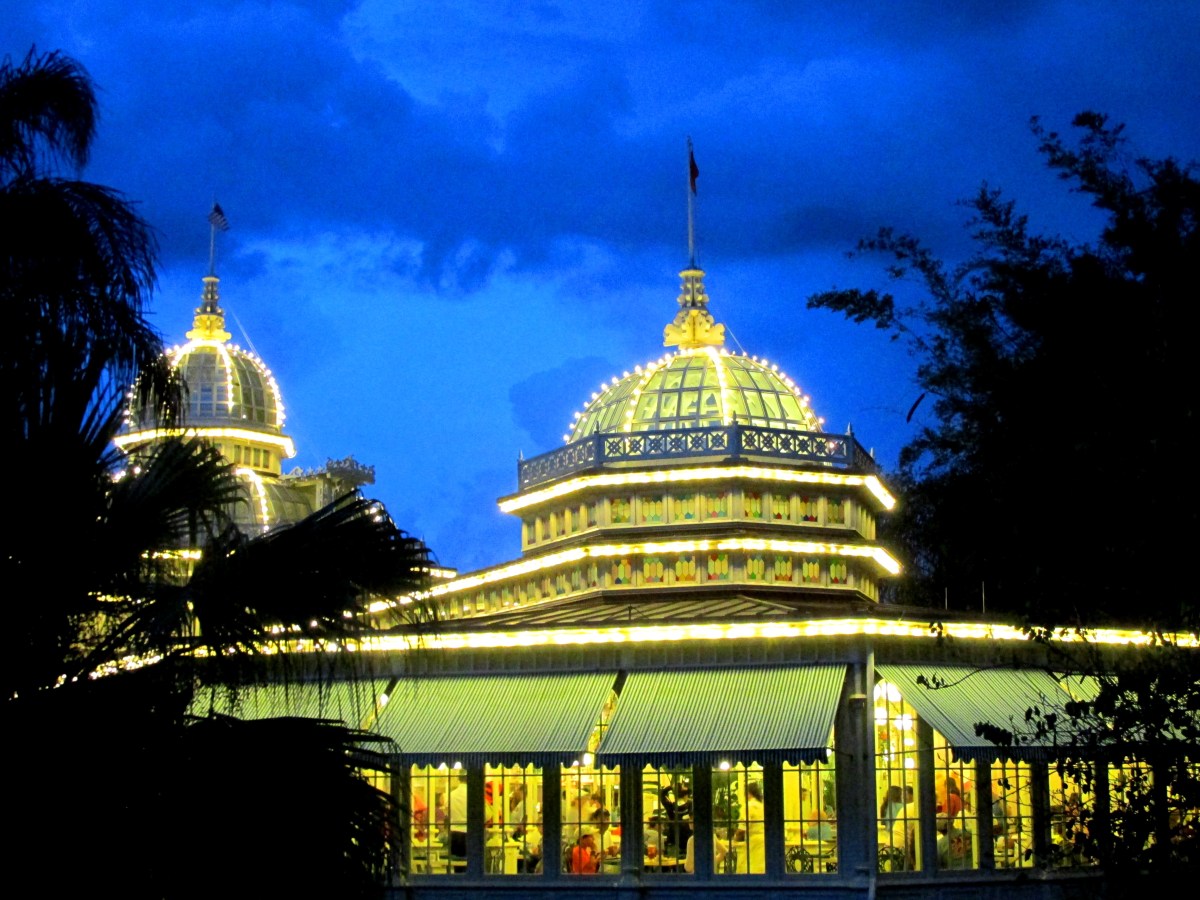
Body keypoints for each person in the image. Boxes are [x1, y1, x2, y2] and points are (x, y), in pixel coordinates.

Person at [742, 781, 766, 873]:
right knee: (762, 868)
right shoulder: (762, 806)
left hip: (754, 841)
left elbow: (743, 826)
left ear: (748, 793)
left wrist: (735, 837)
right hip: (764, 840)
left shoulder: (749, 806)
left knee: (751, 868)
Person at [446, 773, 469, 857]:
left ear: (459, 779)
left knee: (455, 860)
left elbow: (447, 811)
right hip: (469, 831)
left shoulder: (452, 794)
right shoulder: (473, 794)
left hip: (454, 831)